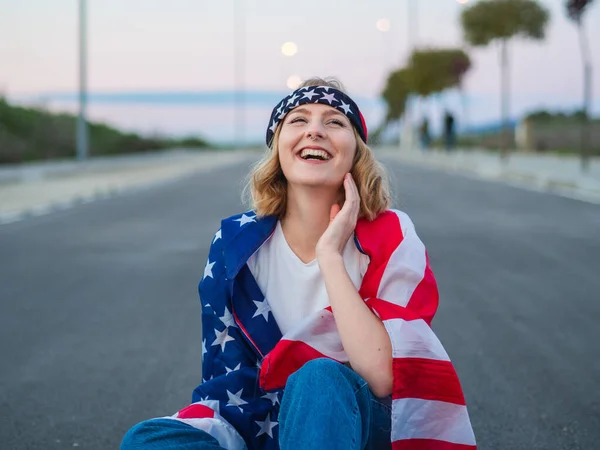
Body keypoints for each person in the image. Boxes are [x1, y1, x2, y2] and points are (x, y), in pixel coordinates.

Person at [120, 77, 476, 450]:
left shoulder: (391, 233)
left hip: (361, 426)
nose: (315, 131)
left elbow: (383, 377)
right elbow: (226, 385)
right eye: (299, 120)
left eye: (335, 122)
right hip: (260, 423)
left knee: (319, 377)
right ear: (279, 149)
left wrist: (330, 257)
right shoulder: (235, 243)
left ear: (357, 152)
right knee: (148, 439)